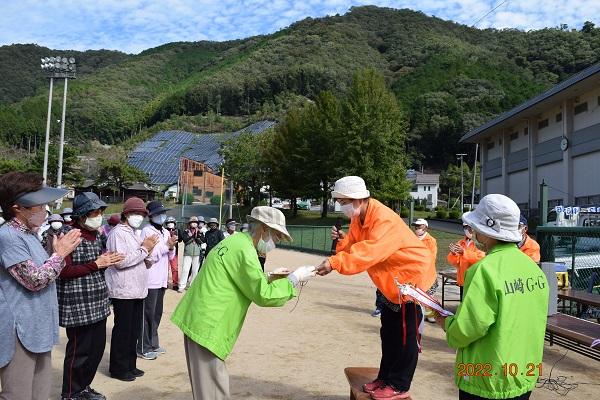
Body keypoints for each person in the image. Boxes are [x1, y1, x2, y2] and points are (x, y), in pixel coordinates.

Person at [171, 206, 316, 400]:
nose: (278, 241)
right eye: (277, 235)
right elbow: (264, 295)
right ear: (264, 229)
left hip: (200, 319)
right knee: (213, 392)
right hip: (208, 325)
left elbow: (241, 278)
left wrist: (269, 277)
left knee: (207, 388)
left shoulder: (236, 241)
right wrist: (294, 279)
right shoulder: (245, 250)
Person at [316, 176, 435, 400]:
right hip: (391, 280)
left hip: (411, 278)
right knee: (388, 332)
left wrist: (334, 263)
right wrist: (341, 244)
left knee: (405, 334)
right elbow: (353, 245)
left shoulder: (383, 219)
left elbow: (369, 252)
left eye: (344, 202)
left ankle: (399, 384)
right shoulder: (359, 218)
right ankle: (385, 377)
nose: (342, 206)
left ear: (359, 199)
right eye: (340, 202)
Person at [438, 194, 549, 400]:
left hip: (486, 380)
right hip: (524, 372)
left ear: (486, 232)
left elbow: (466, 330)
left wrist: (443, 320)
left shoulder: (483, 270)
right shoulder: (534, 270)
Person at [0, 171, 81, 400]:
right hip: (19, 329)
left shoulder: (29, 234)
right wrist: (60, 254)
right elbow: (34, 280)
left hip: (37, 325)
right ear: (18, 207)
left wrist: (56, 254)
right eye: (39, 204)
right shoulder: (8, 237)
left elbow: (44, 272)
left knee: (40, 392)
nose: (45, 209)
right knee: (18, 394)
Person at [56, 192, 125, 400]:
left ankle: (84, 387)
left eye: (100, 212)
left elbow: (97, 262)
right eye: (94, 212)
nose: (99, 216)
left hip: (97, 301)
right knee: (79, 351)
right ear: (81, 215)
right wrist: (96, 264)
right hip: (78, 303)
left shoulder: (96, 234)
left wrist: (107, 260)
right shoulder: (69, 235)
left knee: (96, 349)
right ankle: (71, 393)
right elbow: (63, 271)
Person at [105, 197, 160, 382]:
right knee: (123, 330)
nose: (139, 217)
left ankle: (130, 364)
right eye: (135, 213)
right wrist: (144, 249)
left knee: (134, 330)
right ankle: (118, 368)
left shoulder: (134, 234)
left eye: (142, 214)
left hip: (137, 289)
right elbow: (120, 262)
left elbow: (144, 261)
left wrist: (149, 251)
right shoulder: (117, 233)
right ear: (126, 214)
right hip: (123, 290)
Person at [137, 201, 177, 360]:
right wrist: (166, 246)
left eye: (163, 213)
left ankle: (153, 343)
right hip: (150, 279)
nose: (162, 216)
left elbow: (171, 256)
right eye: (158, 214)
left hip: (161, 279)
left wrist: (171, 247)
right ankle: (143, 347)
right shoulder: (147, 231)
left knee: (156, 314)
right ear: (151, 216)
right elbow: (148, 255)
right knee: (147, 314)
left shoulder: (166, 232)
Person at [447, 218, 485, 299]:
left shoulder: (481, 243)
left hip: (475, 281)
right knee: (463, 303)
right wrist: (454, 254)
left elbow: (481, 258)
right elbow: (454, 262)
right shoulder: (461, 242)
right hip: (463, 280)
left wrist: (464, 252)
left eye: (469, 227)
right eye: (465, 227)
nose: (468, 230)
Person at [412, 218, 438, 323]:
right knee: (415, 294)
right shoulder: (411, 238)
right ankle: (418, 314)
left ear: (425, 227)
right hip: (415, 272)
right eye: (416, 226)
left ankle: (429, 315)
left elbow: (432, 257)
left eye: (419, 226)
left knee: (429, 294)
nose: (417, 228)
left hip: (428, 272)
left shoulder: (431, 240)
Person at [179, 216, 205, 293]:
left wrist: (198, 236)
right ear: (189, 223)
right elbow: (185, 240)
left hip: (197, 253)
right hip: (188, 253)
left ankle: (192, 286)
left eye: (195, 223)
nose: (194, 224)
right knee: (185, 269)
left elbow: (203, 240)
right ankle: (182, 286)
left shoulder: (199, 231)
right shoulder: (186, 231)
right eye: (192, 222)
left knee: (195, 270)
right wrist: (193, 236)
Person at [164, 216, 181, 291]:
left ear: (174, 223)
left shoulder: (177, 230)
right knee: (165, 268)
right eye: (168, 223)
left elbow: (180, 240)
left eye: (171, 222)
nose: (170, 224)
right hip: (165, 252)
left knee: (174, 268)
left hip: (174, 253)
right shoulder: (164, 230)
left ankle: (175, 284)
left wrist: (177, 235)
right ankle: (165, 283)